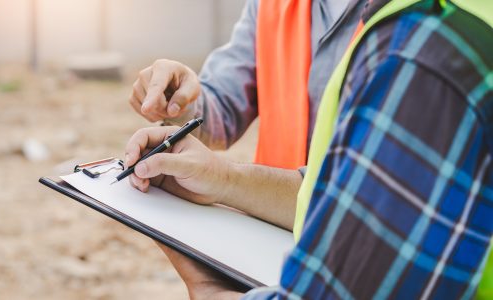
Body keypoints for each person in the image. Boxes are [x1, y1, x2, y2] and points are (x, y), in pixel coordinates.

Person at [124, 0, 493, 298]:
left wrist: (210, 291)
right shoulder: (273, 6)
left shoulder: (420, 48)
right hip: (273, 248)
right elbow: (223, 108)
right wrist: (183, 107)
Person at [129, 0, 366, 170]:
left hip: (358, 230)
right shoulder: (267, 5)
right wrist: (179, 100)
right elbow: (222, 109)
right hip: (270, 227)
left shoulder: (398, 13)